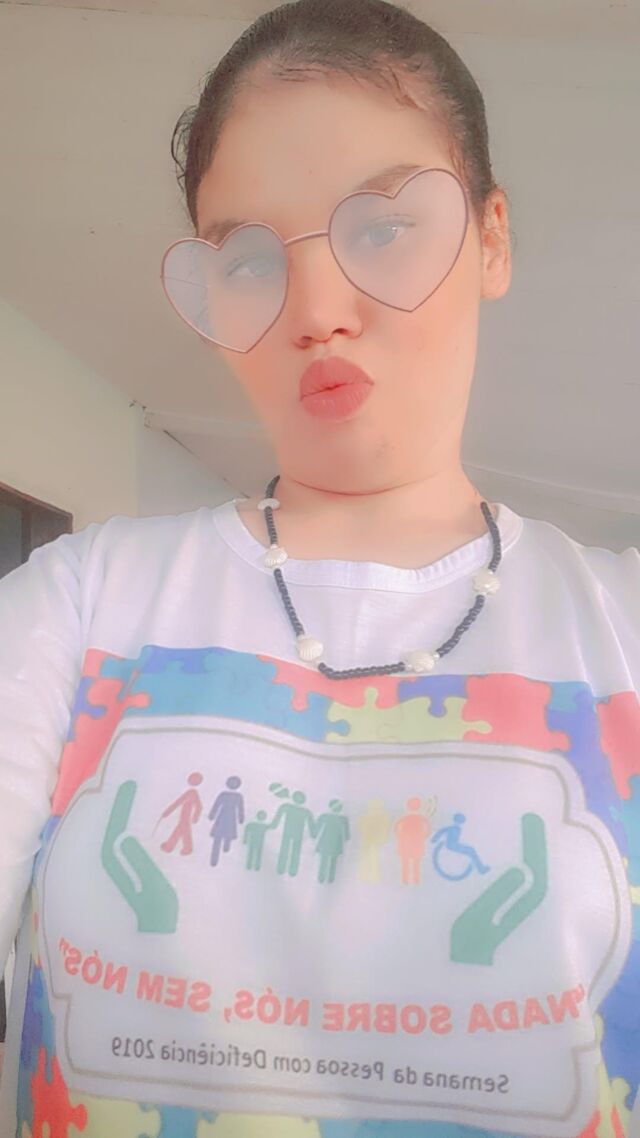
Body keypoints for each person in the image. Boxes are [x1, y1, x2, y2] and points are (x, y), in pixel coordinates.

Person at [0, 0, 638, 1135]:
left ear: (491, 237)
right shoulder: (80, 605)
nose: (316, 313)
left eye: (382, 228)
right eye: (249, 257)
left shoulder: (621, 627)